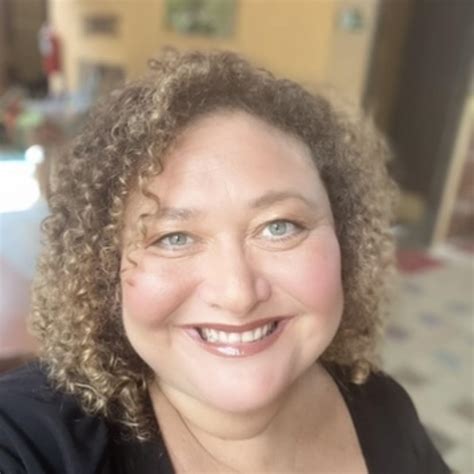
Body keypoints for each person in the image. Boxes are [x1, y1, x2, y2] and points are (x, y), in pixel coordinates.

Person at [0, 49, 449, 474]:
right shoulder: (31, 440)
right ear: (104, 271)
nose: (237, 294)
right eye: (174, 238)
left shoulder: (385, 410)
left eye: (279, 227)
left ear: (345, 242)